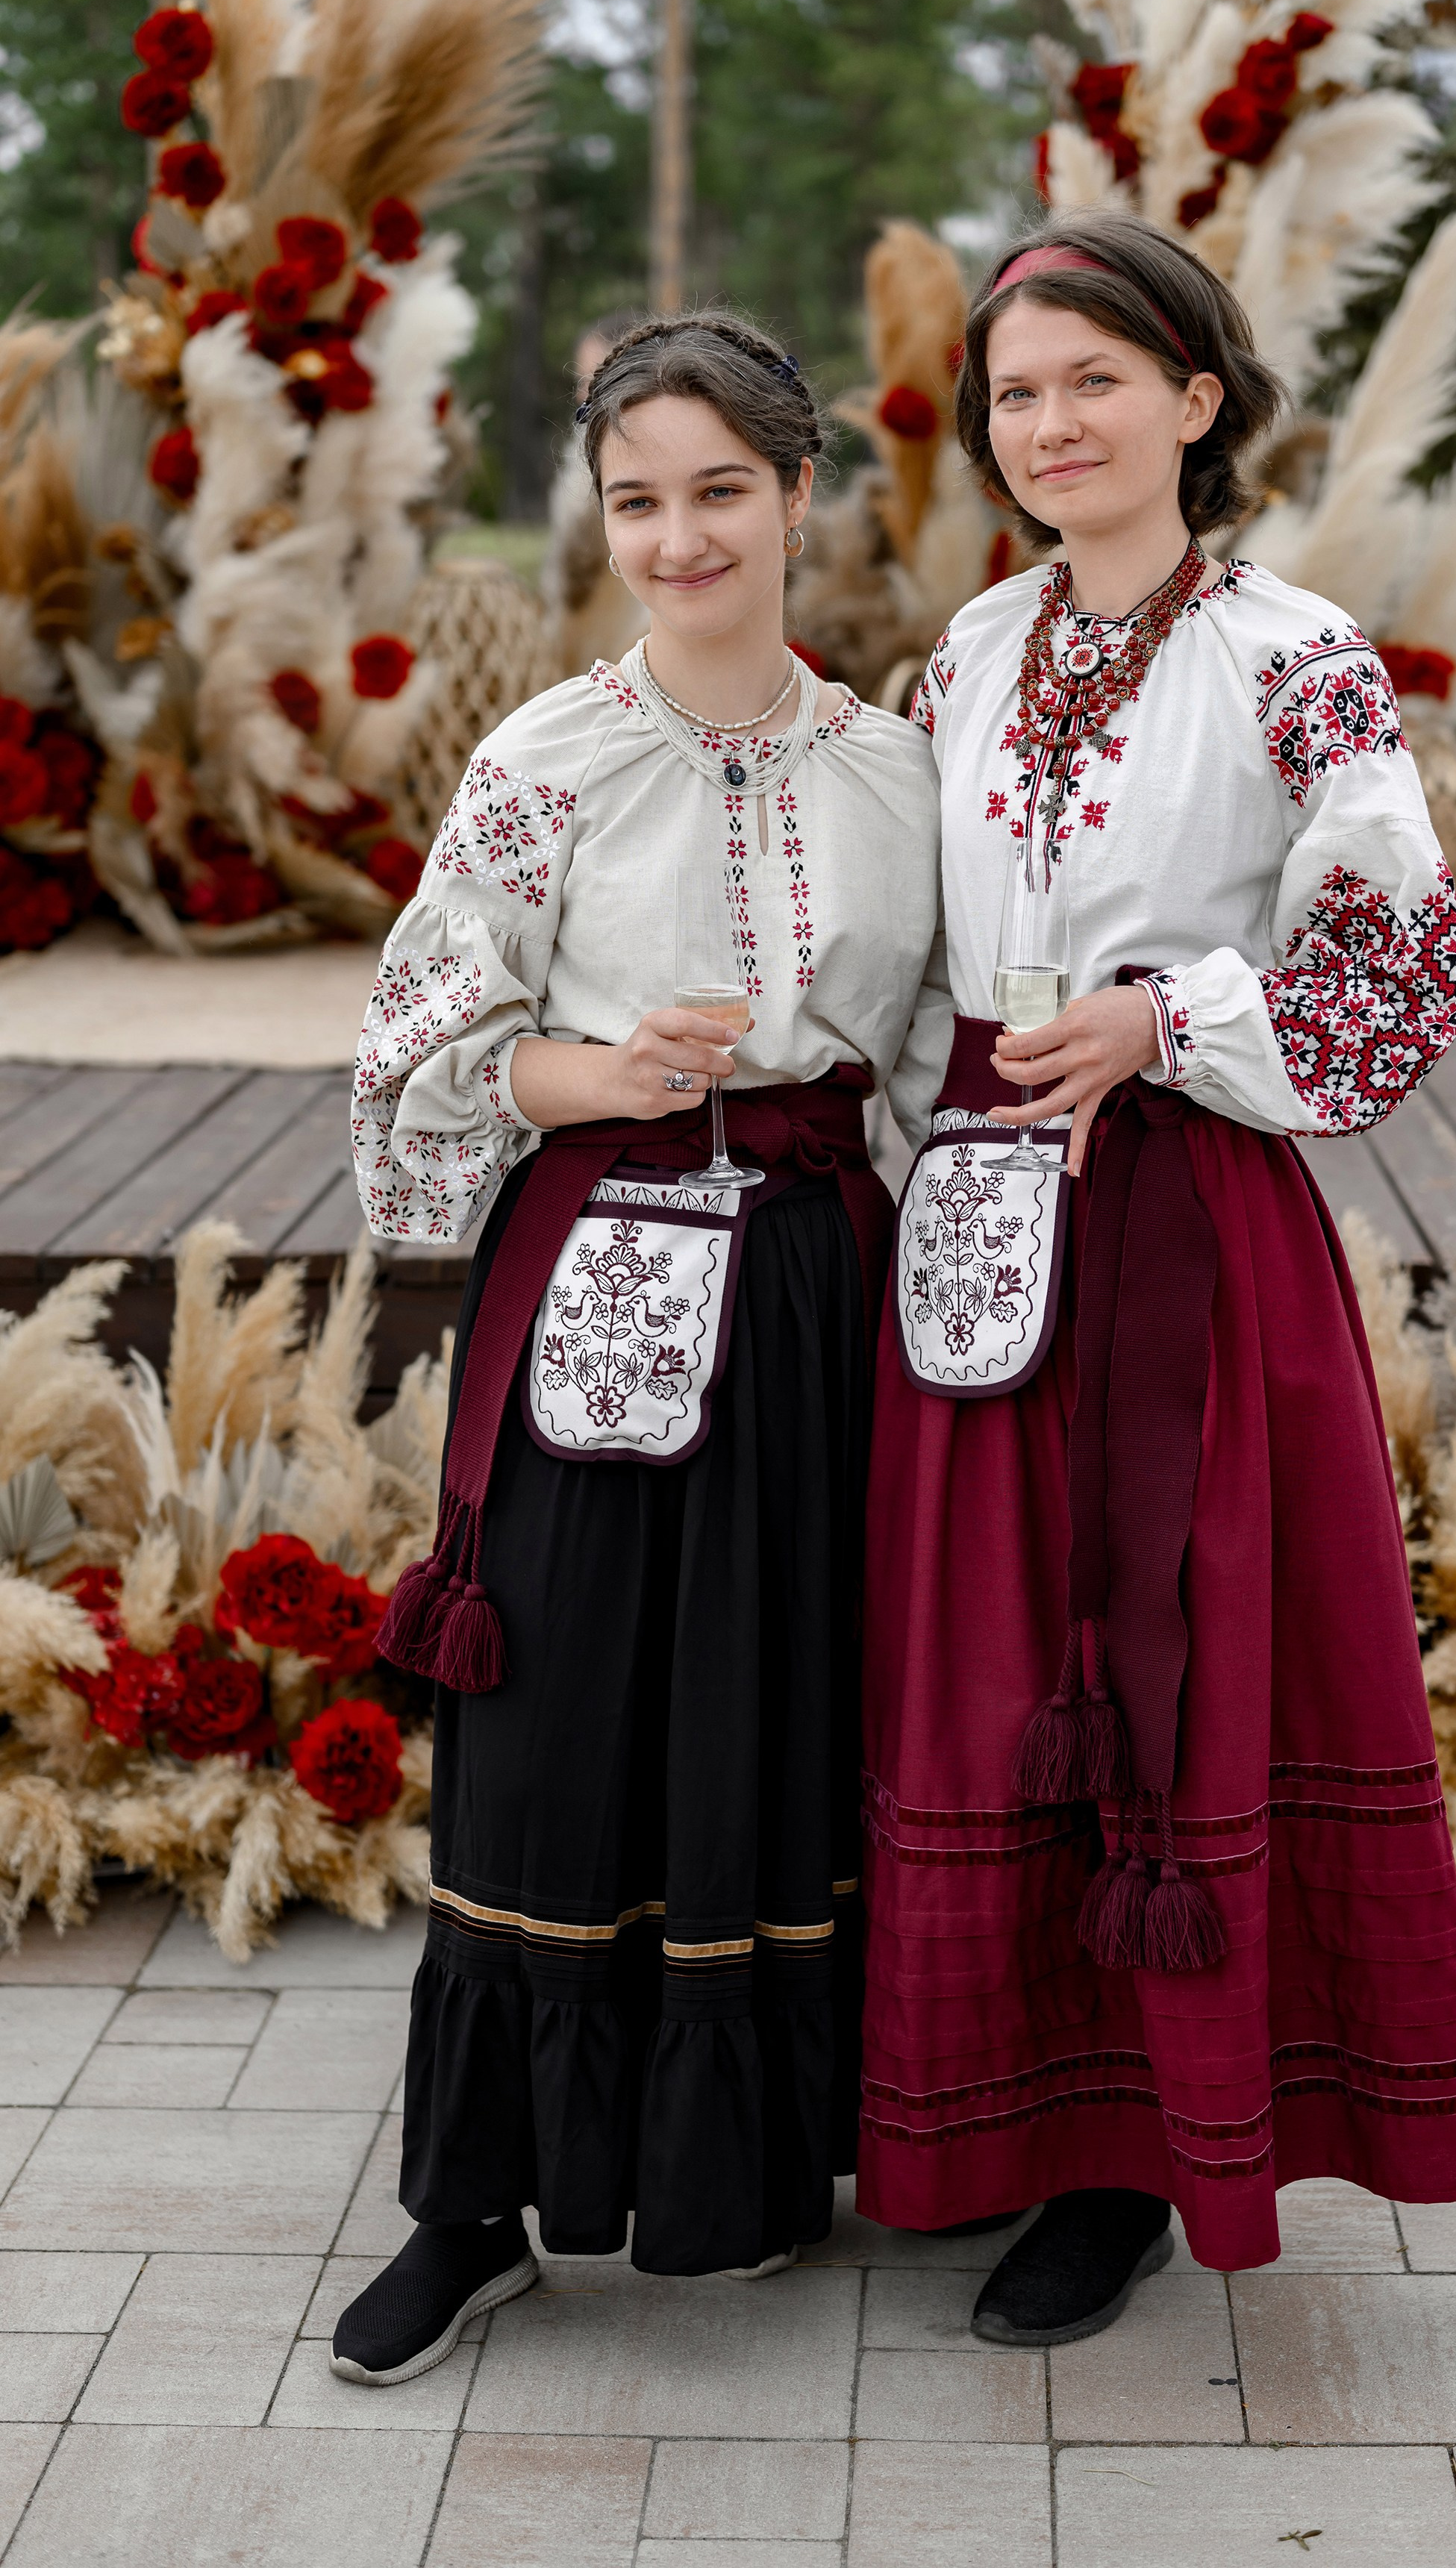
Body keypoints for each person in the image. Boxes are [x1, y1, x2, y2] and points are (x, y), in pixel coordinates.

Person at [857, 207, 1456, 2347]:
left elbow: (1396, 953)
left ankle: (1147, 2146)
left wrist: (1170, 1017)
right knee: (993, 1656)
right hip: (987, 1208)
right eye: (1017, 393)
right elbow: (910, 954)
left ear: (1197, 399)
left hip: (1187, 1218)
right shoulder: (968, 655)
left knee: (1171, 1651)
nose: (1050, 424)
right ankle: (1001, 2105)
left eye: (1097, 382)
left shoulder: (1294, 656)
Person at [334, 312, 949, 2386]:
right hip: (599, 1266)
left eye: (719, 493)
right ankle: (472, 2210)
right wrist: (591, 1073)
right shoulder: (546, 762)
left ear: (799, 496)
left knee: (772, 1699)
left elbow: (928, 1068)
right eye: (635, 501)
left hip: (815, 1292)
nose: (679, 538)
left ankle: (751, 2165)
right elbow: (416, 1045)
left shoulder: (894, 773)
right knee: (560, 1702)